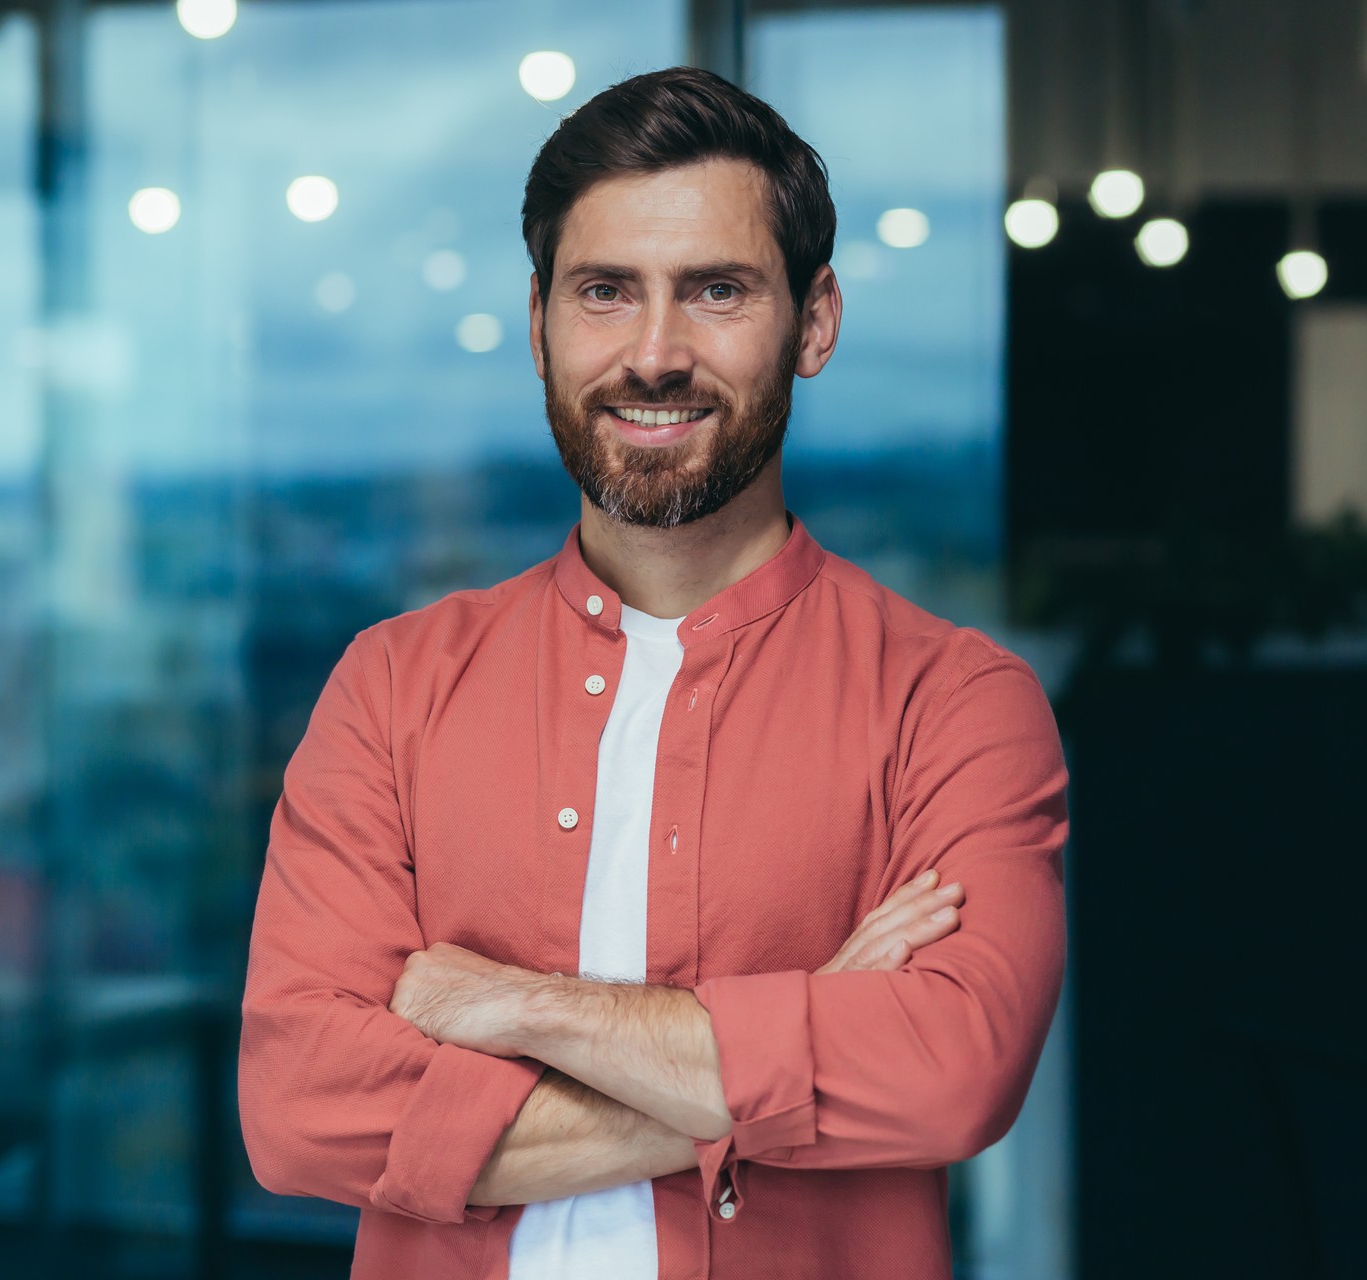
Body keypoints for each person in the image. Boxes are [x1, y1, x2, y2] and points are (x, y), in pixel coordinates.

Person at [238, 66, 1067, 1280]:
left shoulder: (951, 701)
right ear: (540, 326)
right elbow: (302, 1105)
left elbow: (952, 1069)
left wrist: (518, 1006)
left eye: (718, 291)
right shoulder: (392, 687)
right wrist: (803, 1028)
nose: (656, 353)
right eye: (605, 293)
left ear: (815, 321)